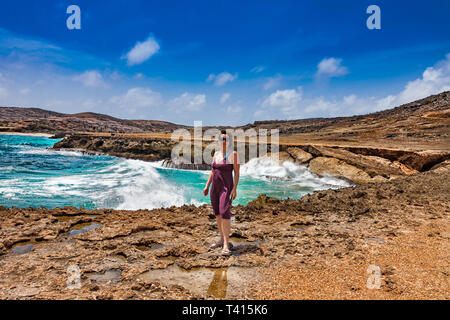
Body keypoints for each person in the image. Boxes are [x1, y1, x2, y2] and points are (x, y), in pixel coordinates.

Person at [203, 130, 240, 256]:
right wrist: (207, 186)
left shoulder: (233, 154)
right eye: (221, 139)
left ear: (229, 141)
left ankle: (226, 244)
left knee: (225, 213)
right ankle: (221, 239)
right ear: (218, 141)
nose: (223, 141)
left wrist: (234, 189)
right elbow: (212, 171)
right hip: (215, 188)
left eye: (226, 139)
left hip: (226, 188)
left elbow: (236, 172)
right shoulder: (216, 154)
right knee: (218, 214)